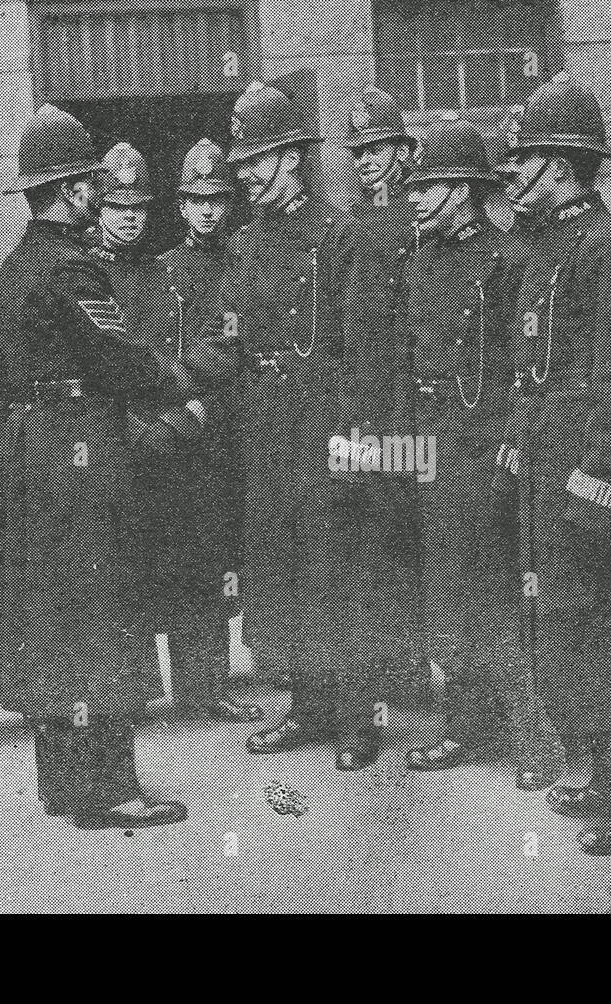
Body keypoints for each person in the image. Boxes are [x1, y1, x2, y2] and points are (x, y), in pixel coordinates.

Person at [0, 105, 199, 828]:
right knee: (107, 612)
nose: (95, 194)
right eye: (88, 182)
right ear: (75, 191)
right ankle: (113, 791)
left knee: (53, 617)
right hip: (81, 447)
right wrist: (184, 376)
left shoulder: (15, 267)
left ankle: (63, 785)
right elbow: (117, 363)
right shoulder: (74, 268)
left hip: (31, 452)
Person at [499, 74, 611, 851]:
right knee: (567, 632)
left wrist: (595, 496)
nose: (510, 173)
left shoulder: (608, 250)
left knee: (610, 635)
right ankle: (605, 772)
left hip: (586, 485)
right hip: (548, 471)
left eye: (523, 159)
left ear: (560, 166)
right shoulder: (551, 246)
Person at [396, 115, 545, 784]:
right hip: (434, 444)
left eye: (425, 189)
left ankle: (533, 739)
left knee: (498, 593)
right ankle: (465, 724)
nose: (414, 199)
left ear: (460, 190)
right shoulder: (419, 261)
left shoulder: (510, 260)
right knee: (446, 589)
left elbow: (526, 368)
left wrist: (513, 443)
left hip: (485, 443)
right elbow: (409, 360)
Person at [221, 83, 351, 756]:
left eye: (256, 160)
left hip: (323, 420)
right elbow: (228, 336)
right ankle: (306, 702)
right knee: (280, 563)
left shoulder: (336, 235)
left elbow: (361, 346)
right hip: (266, 422)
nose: (243, 173)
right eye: (241, 162)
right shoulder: (243, 244)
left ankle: (349, 711)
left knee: (330, 562)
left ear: (293, 159)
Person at [143, 139, 261, 722]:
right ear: (182, 205)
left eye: (217, 199)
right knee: (192, 555)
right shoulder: (162, 272)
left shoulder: (247, 260)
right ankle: (198, 686)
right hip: (191, 433)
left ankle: (267, 663)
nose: (208, 211)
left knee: (242, 551)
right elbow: (162, 358)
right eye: (197, 200)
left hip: (243, 424)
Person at [331, 88, 423, 770]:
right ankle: (359, 720)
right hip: (365, 417)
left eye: (379, 149)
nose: (368, 162)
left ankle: (424, 686)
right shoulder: (350, 229)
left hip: (417, 415)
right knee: (363, 568)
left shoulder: (425, 224)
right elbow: (343, 339)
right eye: (358, 151)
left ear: (405, 152)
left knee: (433, 560)